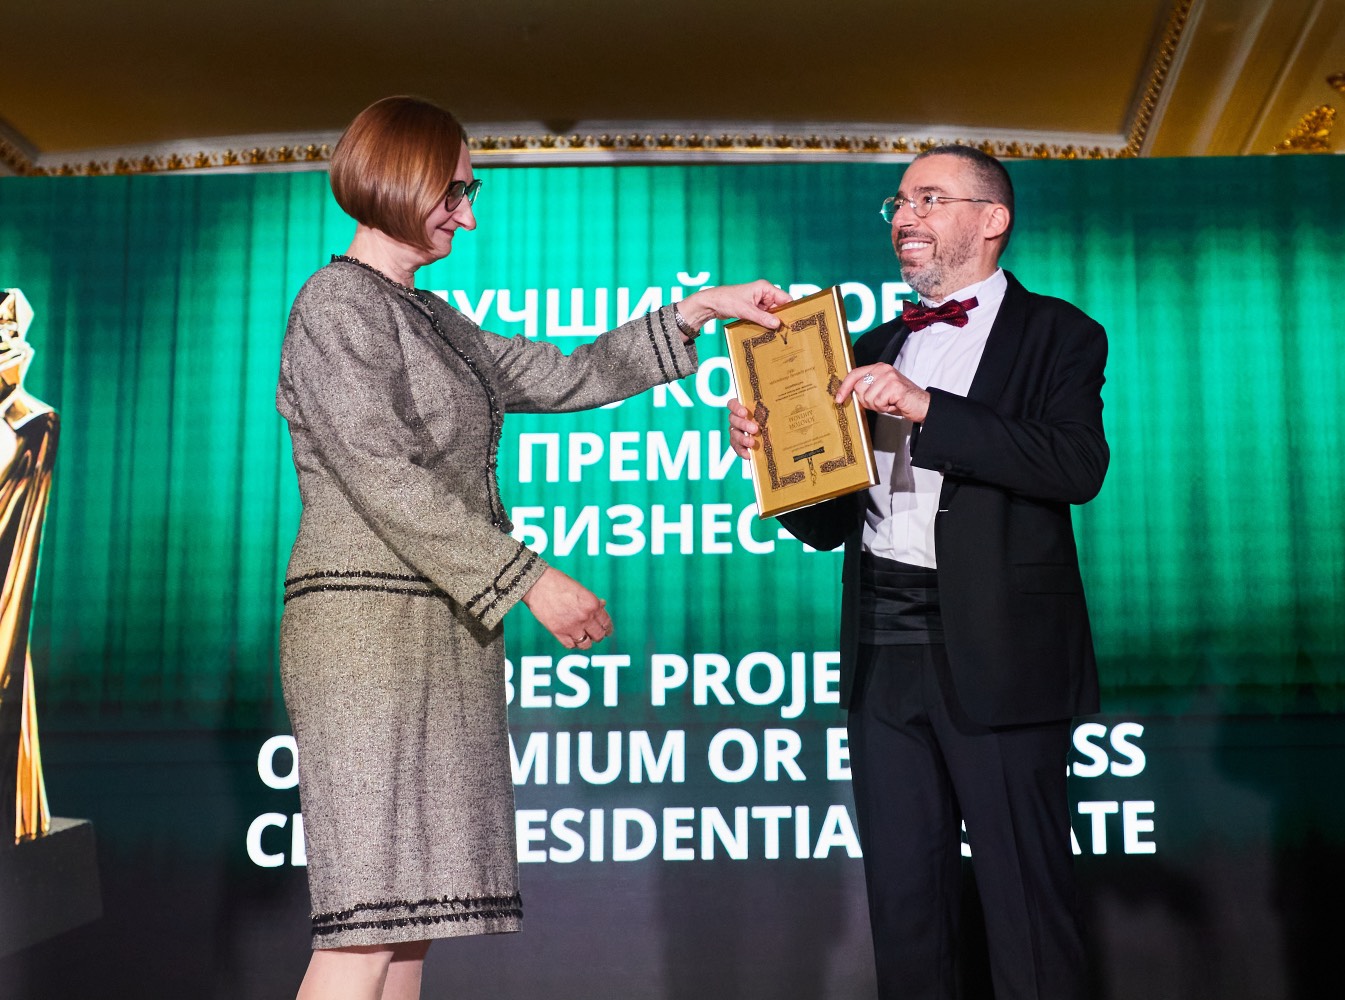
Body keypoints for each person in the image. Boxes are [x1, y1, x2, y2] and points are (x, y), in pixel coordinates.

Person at [278, 95, 787, 1000]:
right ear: (396, 177)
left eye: (468, 194)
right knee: (366, 922)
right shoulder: (335, 303)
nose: (467, 216)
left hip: (445, 625)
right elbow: (380, 474)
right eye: (454, 192)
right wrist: (529, 579)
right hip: (367, 637)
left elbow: (570, 373)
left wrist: (700, 310)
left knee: (412, 923)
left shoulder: (434, 318)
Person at [728, 145, 1108, 999]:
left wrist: (928, 407)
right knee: (906, 913)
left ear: (991, 219)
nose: (905, 217)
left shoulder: (1061, 334)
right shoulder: (866, 344)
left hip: (1002, 653)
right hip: (881, 653)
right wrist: (774, 460)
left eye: (929, 199)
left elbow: (1075, 465)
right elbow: (829, 525)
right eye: (899, 203)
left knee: (1026, 910)